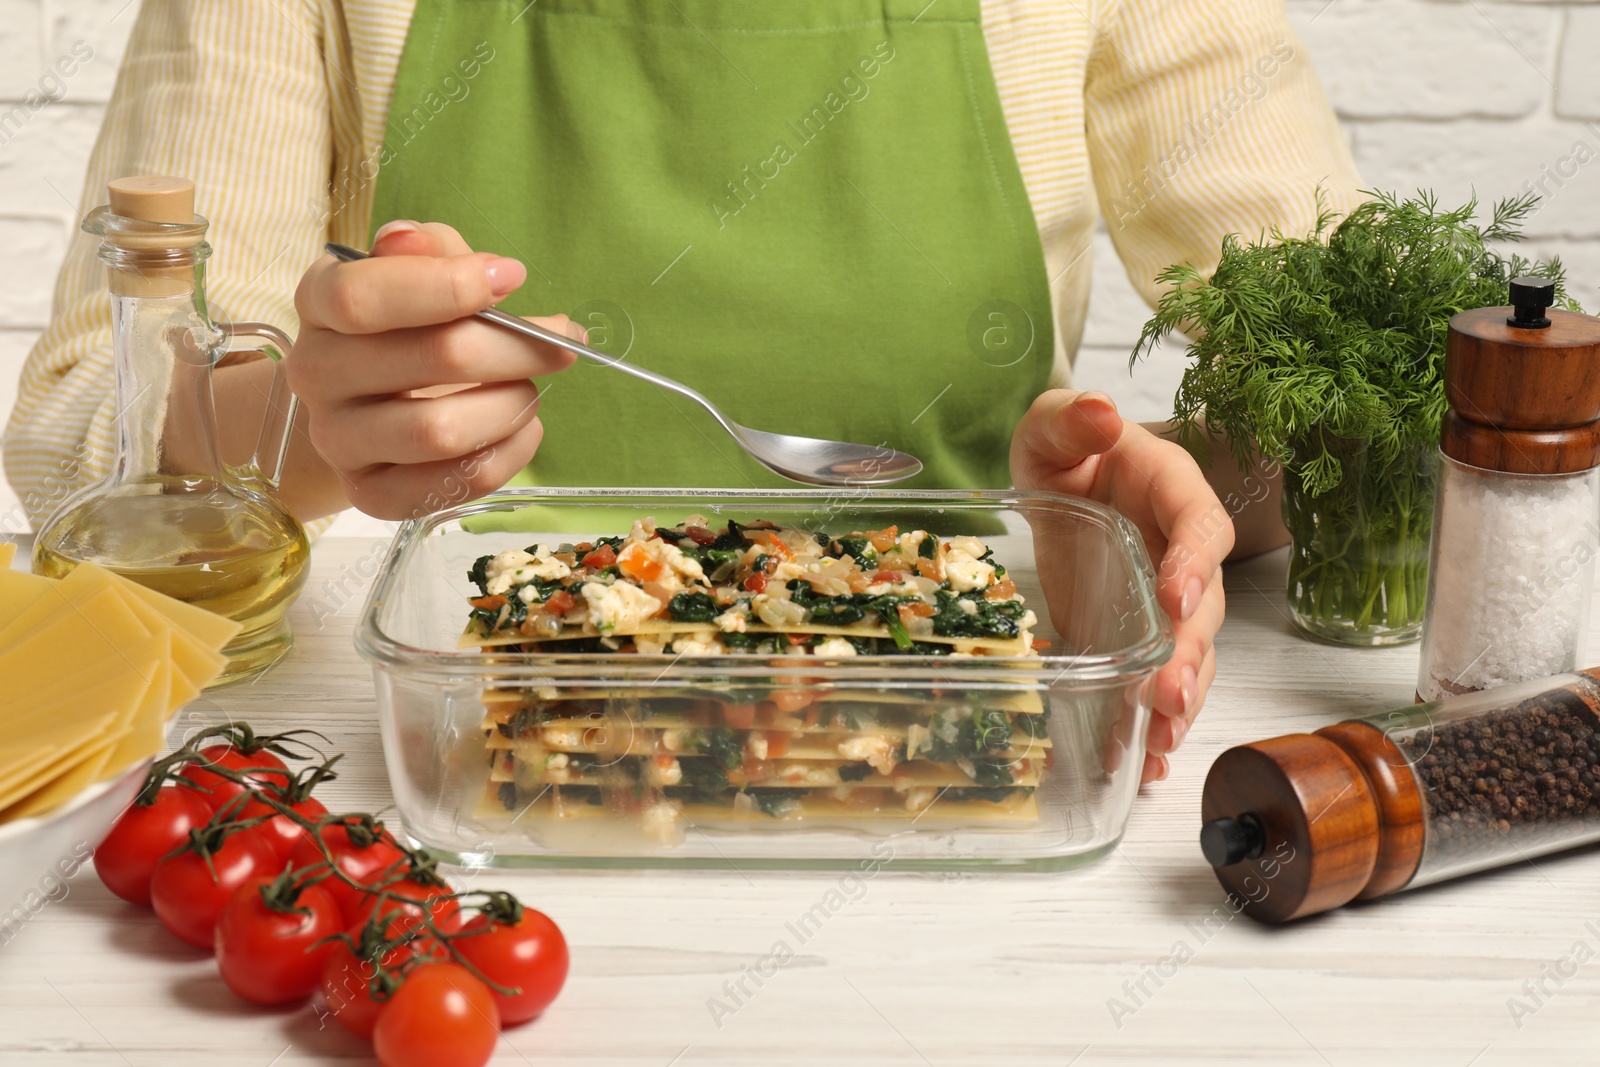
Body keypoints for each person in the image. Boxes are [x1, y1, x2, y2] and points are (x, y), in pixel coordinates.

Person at [3, 0, 1364, 784]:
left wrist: (1189, 481)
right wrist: (299, 422)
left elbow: (1364, 394)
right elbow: (74, 435)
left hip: (968, 734)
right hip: (491, 740)